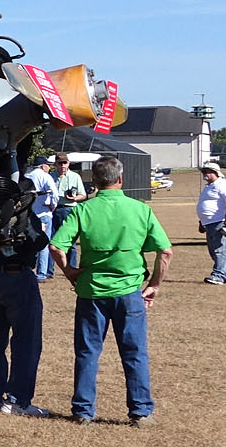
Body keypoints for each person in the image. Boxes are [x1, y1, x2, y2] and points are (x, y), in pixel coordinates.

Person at [50, 154, 172, 427]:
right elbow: (165, 252)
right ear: (121, 179)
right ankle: (140, 410)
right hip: (129, 292)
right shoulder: (140, 209)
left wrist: (69, 271)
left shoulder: (83, 210)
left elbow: (57, 247)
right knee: (134, 352)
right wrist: (154, 285)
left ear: (94, 181)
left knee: (87, 352)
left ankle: (83, 410)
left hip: (92, 292)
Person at [0, 240, 50, 416]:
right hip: (16, 274)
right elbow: (38, 240)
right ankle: (18, 400)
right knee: (26, 341)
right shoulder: (19, 213)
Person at [197, 160, 226, 285]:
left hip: (221, 221)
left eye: (207, 171)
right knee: (214, 251)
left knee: (220, 250)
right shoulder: (208, 187)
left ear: (215, 172)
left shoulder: (224, 184)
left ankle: (218, 276)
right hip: (209, 223)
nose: (204, 174)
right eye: (203, 171)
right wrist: (201, 222)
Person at [25, 156, 59, 279]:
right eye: (48, 165)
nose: (49, 168)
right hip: (44, 213)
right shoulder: (46, 176)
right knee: (44, 243)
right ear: (43, 166)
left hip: (30, 213)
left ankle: (29, 267)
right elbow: (55, 194)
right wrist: (52, 206)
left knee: (29, 241)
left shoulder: (28, 176)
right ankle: (41, 273)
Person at [51, 155, 87, 265]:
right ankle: (49, 270)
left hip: (69, 209)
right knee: (52, 241)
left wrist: (74, 198)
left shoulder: (75, 177)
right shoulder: (51, 176)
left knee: (70, 241)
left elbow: (83, 195)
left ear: (68, 163)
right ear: (55, 164)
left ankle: (71, 265)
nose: (62, 165)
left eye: (64, 163)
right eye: (60, 163)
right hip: (53, 209)